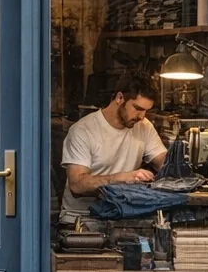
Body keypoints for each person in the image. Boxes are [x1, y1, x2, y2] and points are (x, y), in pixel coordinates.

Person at [60, 75, 167, 221]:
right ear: (119, 98)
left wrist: (176, 163)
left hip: (121, 213)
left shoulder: (143, 126)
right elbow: (77, 184)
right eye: (138, 108)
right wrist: (120, 178)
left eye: (146, 111)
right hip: (81, 218)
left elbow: (163, 161)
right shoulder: (83, 130)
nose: (142, 116)